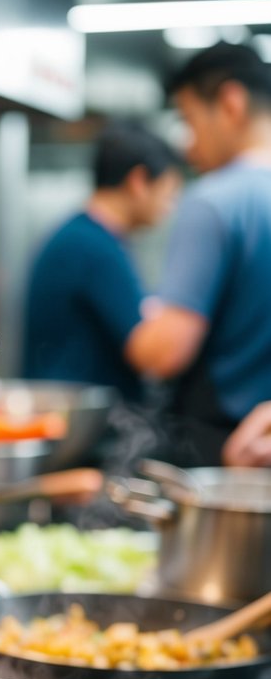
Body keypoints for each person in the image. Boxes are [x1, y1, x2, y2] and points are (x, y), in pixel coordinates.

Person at [124, 42, 271, 463]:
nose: (189, 146)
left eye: (189, 120)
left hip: (225, 450)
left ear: (230, 103)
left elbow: (167, 351)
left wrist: (144, 327)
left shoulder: (214, 201)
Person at [23, 121, 182, 401]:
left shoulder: (84, 236)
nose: (169, 208)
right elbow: (149, 354)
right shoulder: (92, 246)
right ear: (139, 182)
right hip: (79, 424)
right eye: (169, 195)